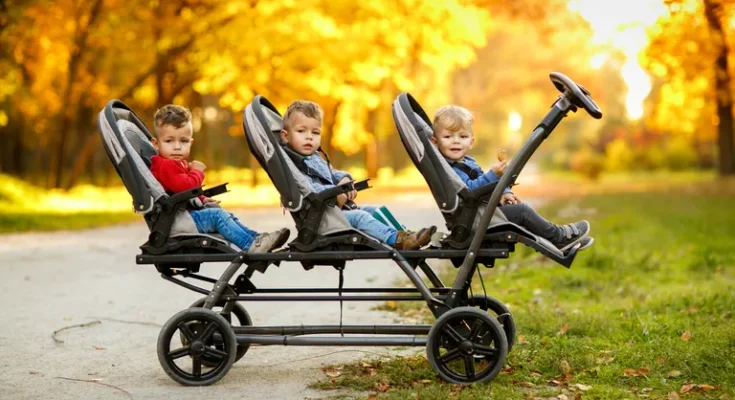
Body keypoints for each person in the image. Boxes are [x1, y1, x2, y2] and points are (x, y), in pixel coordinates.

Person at [431, 105, 593, 252]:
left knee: (519, 209)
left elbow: (483, 184)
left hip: (481, 212)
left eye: (463, 136)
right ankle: (558, 237)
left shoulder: (468, 162)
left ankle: (553, 243)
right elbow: (470, 191)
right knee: (522, 212)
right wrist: (493, 175)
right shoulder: (450, 169)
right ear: (435, 141)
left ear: (471, 142)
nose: (456, 141)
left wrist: (504, 191)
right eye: (448, 136)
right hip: (473, 220)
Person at [280, 100, 435, 250]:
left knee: (376, 210)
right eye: (301, 131)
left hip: (335, 212)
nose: (309, 137)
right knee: (360, 217)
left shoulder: (313, 157)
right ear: (285, 136)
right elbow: (310, 189)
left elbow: (333, 173)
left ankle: (405, 236)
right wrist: (338, 193)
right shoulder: (292, 165)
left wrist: (345, 180)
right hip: (319, 221)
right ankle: (397, 240)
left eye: (315, 132)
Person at [149, 104, 290, 253]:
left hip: (182, 216)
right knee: (217, 216)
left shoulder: (175, 163)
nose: (177, 147)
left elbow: (178, 192)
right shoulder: (165, 166)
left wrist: (202, 199)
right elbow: (185, 187)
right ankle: (251, 245)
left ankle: (257, 239)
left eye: (183, 141)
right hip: (177, 222)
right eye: (169, 141)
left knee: (224, 214)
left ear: (190, 142)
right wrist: (197, 172)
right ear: (156, 144)